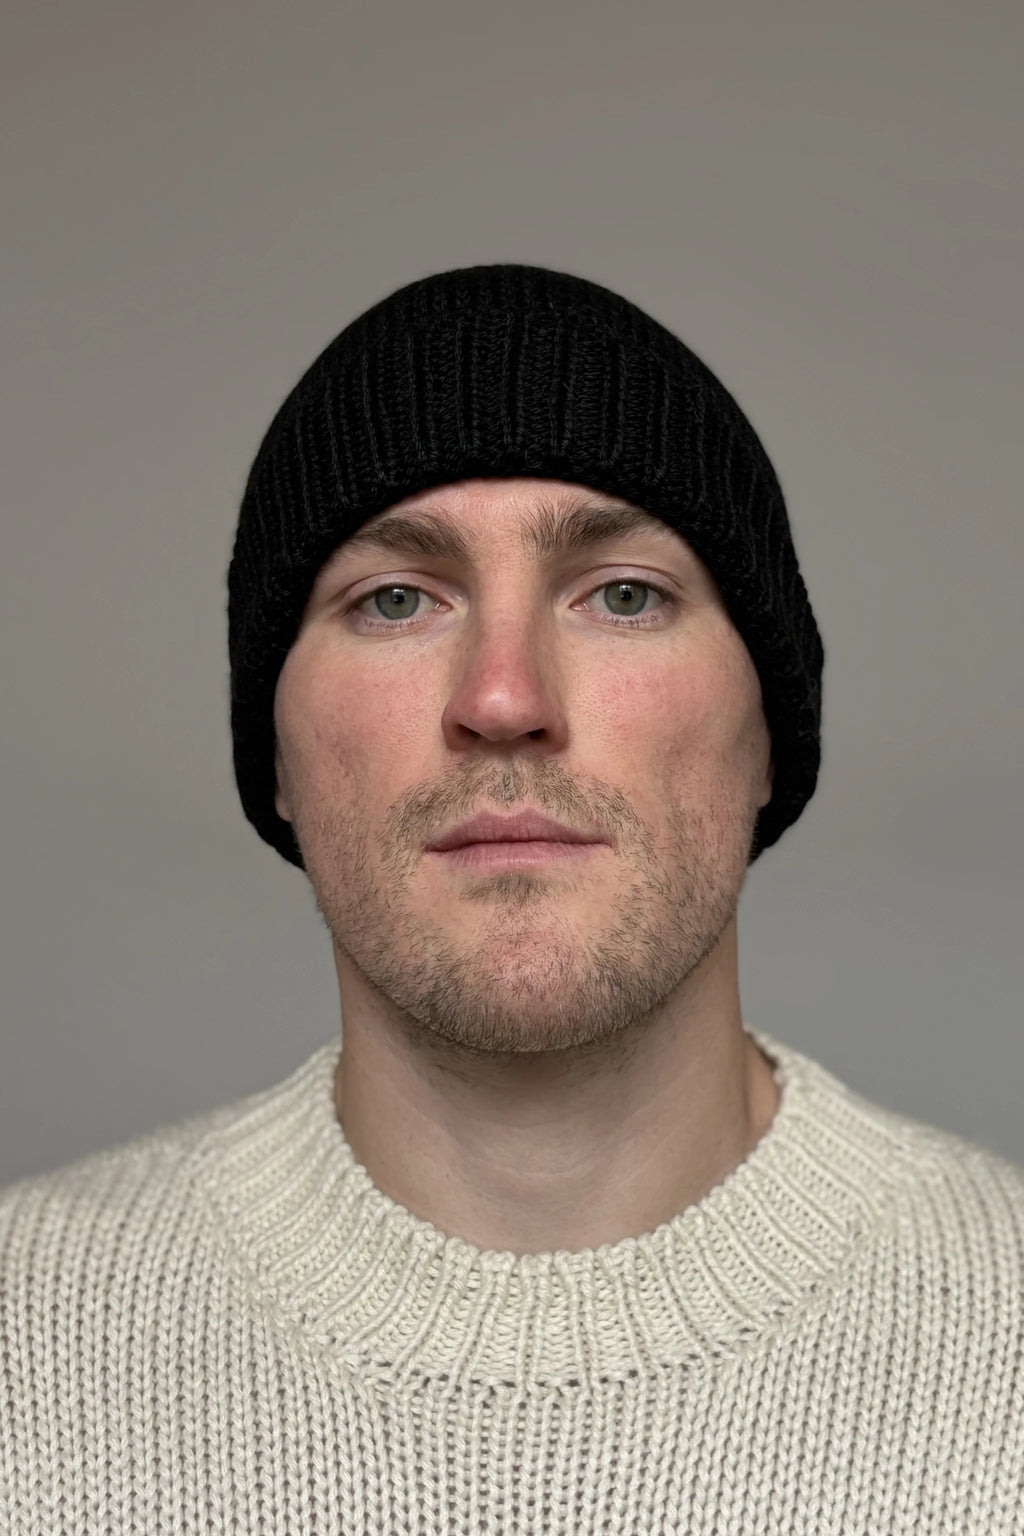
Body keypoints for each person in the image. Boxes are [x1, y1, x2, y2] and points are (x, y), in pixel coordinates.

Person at [2, 264, 1021, 1534]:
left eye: (624, 595)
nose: (501, 698)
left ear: (770, 733)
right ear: (274, 754)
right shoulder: (22, 1335)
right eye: (393, 599)